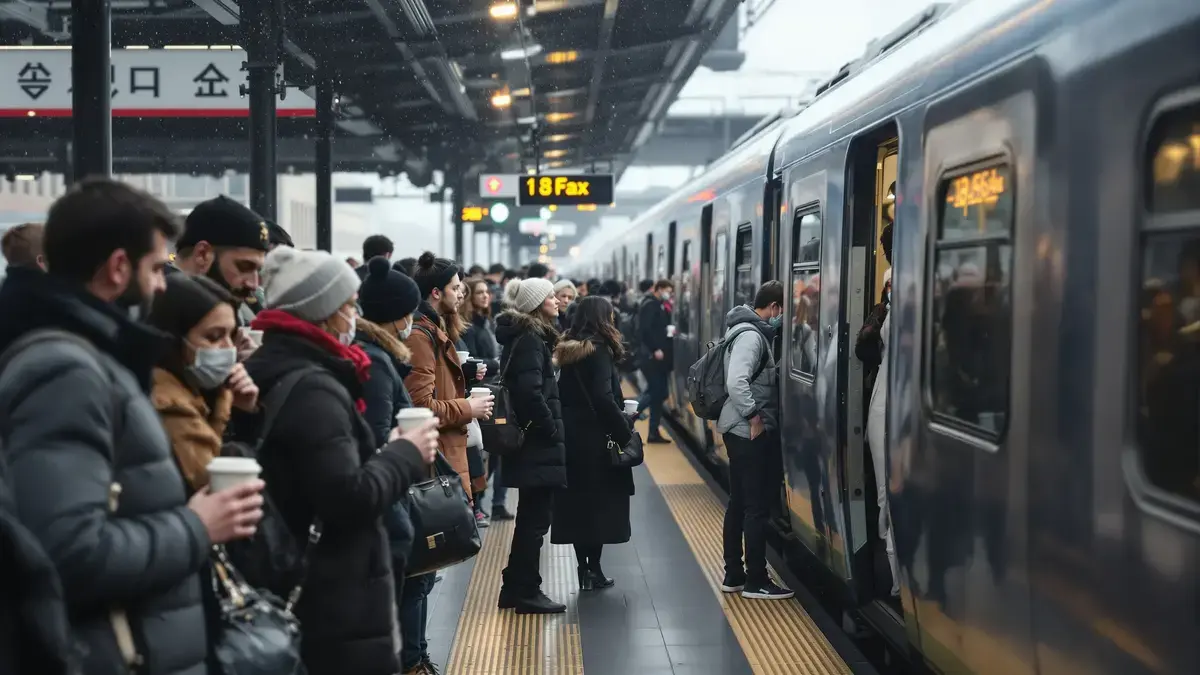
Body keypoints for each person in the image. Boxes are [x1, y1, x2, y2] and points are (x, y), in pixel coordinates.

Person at [0, 178, 266, 675]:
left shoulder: (86, 359)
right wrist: (197, 525)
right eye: (154, 268)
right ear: (119, 268)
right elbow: (67, 553)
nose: (163, 284)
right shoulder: (67, 372)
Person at [243, 246, 439, 675]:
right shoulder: (316, 387)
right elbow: (347, 496)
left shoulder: (270, 365)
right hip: (333, 590)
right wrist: (405, 451)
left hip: (298, 571)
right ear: (323, 310)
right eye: (348, 305)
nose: (356, 315)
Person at [403, 252, 494, 674]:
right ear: (436, 292)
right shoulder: (422, 336)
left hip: (441, 455)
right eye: (457, 287)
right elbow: (421, 405)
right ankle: (412, 660)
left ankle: (417, 655)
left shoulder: (434, 330)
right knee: (420, 574)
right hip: (431, 460)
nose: (463, 294)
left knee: (426, 572)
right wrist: (468, 406)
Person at [148, 274, 261, 494]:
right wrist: (224, 405)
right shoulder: (168, 403)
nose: (228, 348)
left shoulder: (193, 390)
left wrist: (243, 410)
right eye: (214, 337)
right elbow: (216, 484)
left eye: (231, 335)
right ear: (173, 339)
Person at [717, 280, 794, 600]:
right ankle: (756, 579)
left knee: (739, 503)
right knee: (756, 507)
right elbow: (737, 381)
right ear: (774, 307)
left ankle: (734, 573)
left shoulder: (744, 329)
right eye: (783, 311)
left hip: (736, 429)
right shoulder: (751, 336)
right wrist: (754, 417)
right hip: (746, 430)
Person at [494, 278, 567, 614]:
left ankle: (514, 586)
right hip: (537, 444)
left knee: (530, 518)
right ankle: (526, 591)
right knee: (535, 521)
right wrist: (551, 428)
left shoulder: (528, 337)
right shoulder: (531, 340)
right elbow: (529, 392)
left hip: (534, 444)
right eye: (550, 295)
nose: (556, 299)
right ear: (538, 304)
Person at [552, 296, 634, 591]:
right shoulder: (599, 351)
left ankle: (583, 567)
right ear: (602, 318)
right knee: (599, 505)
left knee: (577, 505)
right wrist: (625, 432)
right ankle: (594, 569)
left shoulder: (568, 350)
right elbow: (604, 398)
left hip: (571, 437)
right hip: (597, 439)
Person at [864, 224, 900, 597]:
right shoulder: (893, 289)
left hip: (889, 401)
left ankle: (897, 579)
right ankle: (895, 578)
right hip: (888, 400)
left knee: (887, 493)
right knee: (887, 494)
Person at [172, 195, 270, 328]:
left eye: (258, 270)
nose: (253, 284)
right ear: (202, 255)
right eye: (244, 266)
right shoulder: (156, 314)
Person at [356, 256, 423, 447]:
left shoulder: (376, 352)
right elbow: (378, 437)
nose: (412, 319)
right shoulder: (376, 363)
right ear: (394, 317)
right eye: (409, 313)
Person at [459, 276, 507, 522]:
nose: (485, 296)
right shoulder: (468, 327)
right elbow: (468, 359)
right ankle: (476, 503)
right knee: (479, 451)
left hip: (489, 391)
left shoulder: (485, 322)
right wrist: (494, 364)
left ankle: (484, 502)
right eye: (479, 293)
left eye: (487, 292)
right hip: (477, 391)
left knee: (491, 450)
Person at [636, 279, 674, 443]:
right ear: (659, 289)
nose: (669, 294)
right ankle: (631, 413)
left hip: (659, 358)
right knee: (657, 391)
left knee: (658, 394)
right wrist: (654, 349)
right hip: (652, 357)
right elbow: (644, 330)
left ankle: (653, 432)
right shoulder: (650, 305)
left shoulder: (658, 304)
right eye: (667, 290)